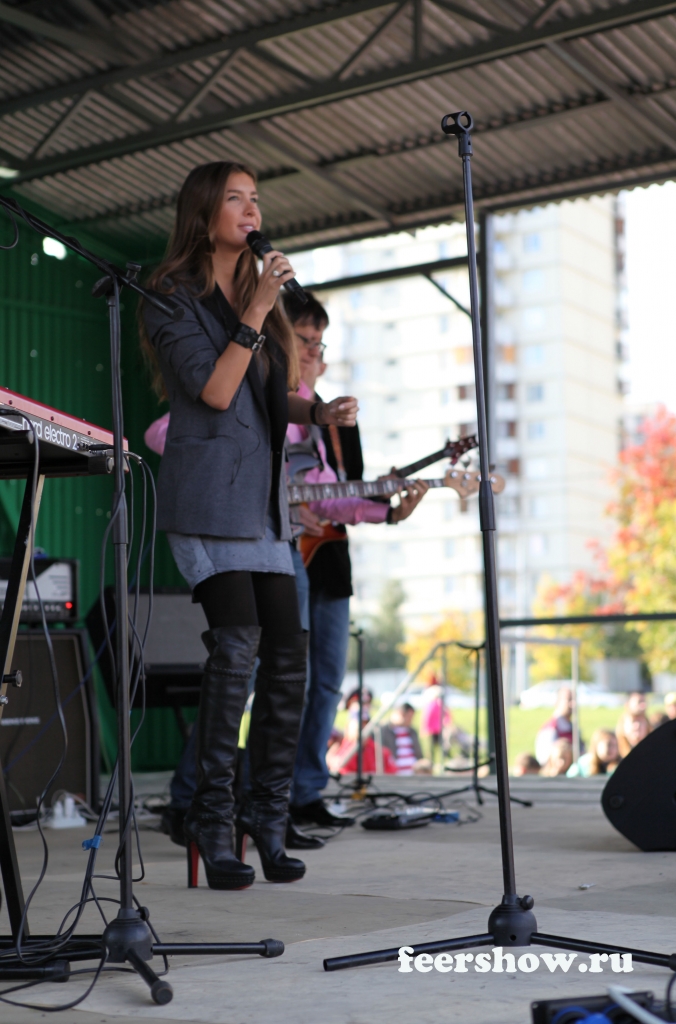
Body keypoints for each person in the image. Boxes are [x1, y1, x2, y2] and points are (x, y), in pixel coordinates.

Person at [141, 160, 357, 891]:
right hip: (206, 501)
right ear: (203, 213)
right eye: (235, 198)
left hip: (262, 506)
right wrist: (258, 307)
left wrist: (316, 411)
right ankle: (210, 818)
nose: (251, 209)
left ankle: (267, 817)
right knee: (236, 652)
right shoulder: (169, 295)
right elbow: (214, 388)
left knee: (288, 660)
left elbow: (265, 395)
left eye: (255, 198)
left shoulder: (259, 299)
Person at [283, 291, 428, 827]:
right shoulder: (266, 403)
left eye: (319, 344)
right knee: (282, 680)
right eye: (303, 340)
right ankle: (261, 790)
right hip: (285, 551)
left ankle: (306, 791)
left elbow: (345, 494)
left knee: (326, 682)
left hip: (330, 555)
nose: (313, 352)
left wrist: (387, 506)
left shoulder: (341, 420)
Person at [535, 687, 580, 767]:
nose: (573, 704)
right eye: (569, 699)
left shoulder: (573, 728)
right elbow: (545, 761)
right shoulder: (551, 729)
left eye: (574, 699)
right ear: (557, 702)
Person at [381, 703, 423, 775]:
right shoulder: (385, 731)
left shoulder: (412, 732)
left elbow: (419, 754)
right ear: (400, 713)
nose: (410, 720)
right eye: (408, 716)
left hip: (413, 773)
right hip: (394, 774)